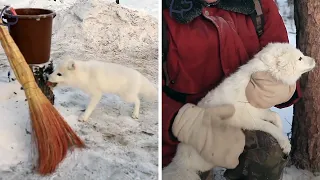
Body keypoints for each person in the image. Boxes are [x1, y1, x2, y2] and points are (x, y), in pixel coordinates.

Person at [162, 0, 301, 179]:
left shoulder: (259, 5)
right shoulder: (164, 12)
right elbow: (152, 88)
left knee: (269, 149)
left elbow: (286, 58)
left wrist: (284, 86)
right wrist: (182, 122)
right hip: (186, 132)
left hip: (244, 117)